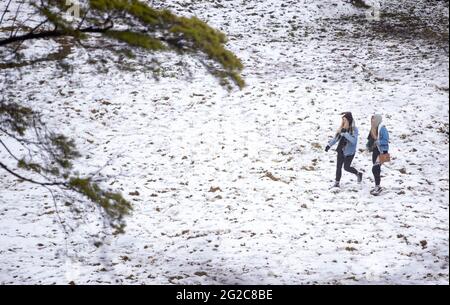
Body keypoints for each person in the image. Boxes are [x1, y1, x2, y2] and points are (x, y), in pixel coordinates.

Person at [325, 112, 363, 188]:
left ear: (349, 120)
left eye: (345, 120)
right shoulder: (341, 128)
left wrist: (345, 133)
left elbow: (353, 141)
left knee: (346, 167)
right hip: (341, 150)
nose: (343, 122)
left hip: (349, 152)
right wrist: (329, 145)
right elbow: (336, 138)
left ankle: (358, 173)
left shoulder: (354, 129)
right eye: (343, 120)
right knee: (338, 167)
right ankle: (337, 182)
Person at [366, 114, 390, 196]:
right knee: (376, 169)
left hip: (382, 151)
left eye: (374, 120)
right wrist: (368, 146)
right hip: (375, 151)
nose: (372, 121)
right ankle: (377, 186)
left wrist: (378, 142)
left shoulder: (382, 129)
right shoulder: (373, 129)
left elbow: (386, 140)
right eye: (371, 120)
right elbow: (370, 140)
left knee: (375, 168)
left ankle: (378, 187)